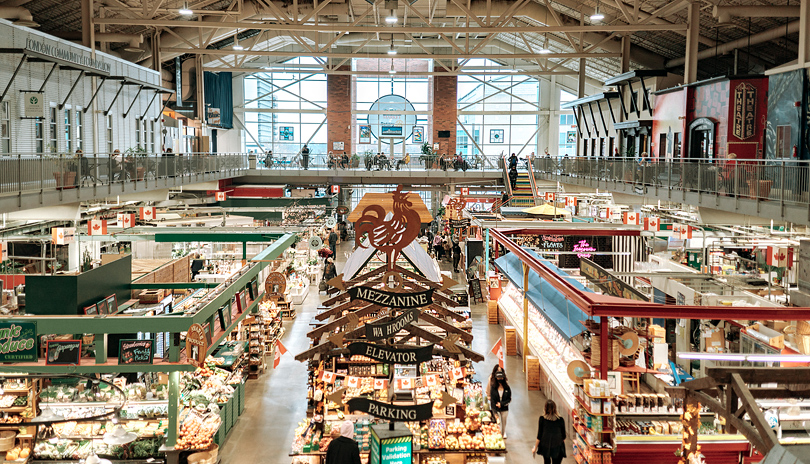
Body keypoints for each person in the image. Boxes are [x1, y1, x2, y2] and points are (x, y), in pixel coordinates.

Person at [489, 369, 511, 439]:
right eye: (498, 378)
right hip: (496, 408)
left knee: (504, 421)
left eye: (501, 378)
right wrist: (494, 411)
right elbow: (492, 399)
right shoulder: (493, 387)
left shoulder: (507, 388)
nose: (500, 379)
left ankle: (504, 432)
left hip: (504, 408)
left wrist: (502, 404)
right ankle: (498, 433)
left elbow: (509, 399)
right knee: (498, 422)